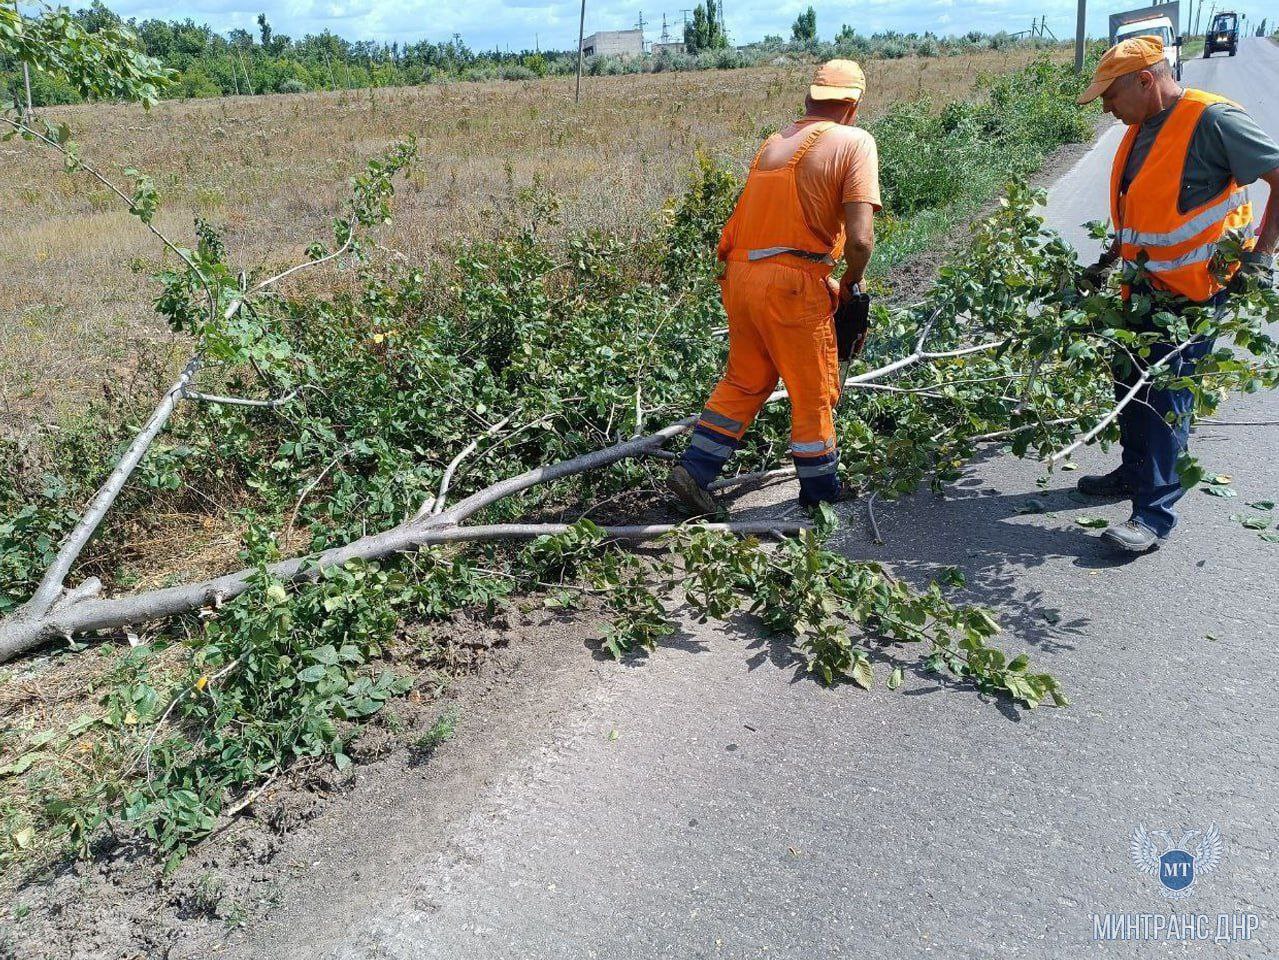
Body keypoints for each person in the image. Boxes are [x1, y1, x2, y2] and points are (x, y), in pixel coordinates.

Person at [1075, 36, 1279, 553]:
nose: (1105, 106)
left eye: (1110, 94)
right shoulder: (1141, 125)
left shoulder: (1214, 121)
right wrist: (1107, 263)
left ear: (1145, 79)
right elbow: (1147, 210)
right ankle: (1133, 472)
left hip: (1194, 295)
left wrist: (1261, 256)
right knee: (1132, 387)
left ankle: (1152, 516)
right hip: (1141, 292)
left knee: (1166, 399)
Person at [667, 59, 881, 516]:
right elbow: (861, 239)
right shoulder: (855, 142)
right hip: (793, 283)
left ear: (810, 97)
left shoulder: (775, 141)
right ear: (854, 105)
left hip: (741, 277)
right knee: (813, 389)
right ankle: (820, 491)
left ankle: (695, 470)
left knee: (746, 379)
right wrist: (849, 282)